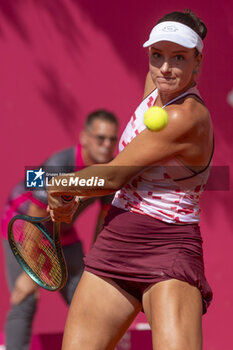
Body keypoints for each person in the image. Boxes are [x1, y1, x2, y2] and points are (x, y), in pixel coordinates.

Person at [47, 10, 214, 350]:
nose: (165, 68)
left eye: (179, 57)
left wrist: (63, 186)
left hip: (168, 249)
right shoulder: (157, 84)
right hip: (116, 242)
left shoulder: (186, 116)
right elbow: (124, 176)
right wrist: (75, 195)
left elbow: (113, 177)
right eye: (157, 55)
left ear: (197, 62)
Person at [1, 109, 119, 350]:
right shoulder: (57, 164)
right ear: (84, 138)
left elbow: (103, 219)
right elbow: (34, 213)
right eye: (100, 138)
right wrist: (29, 272)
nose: (107, 145)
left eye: (112, 139)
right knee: (26, 297)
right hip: (24, 224)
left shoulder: (108, 172)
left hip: (60, 231)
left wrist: (98, 262)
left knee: (87, 301)